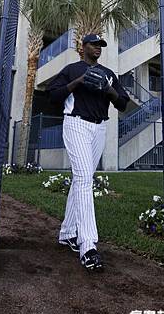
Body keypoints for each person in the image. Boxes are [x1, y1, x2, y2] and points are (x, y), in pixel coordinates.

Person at [47, 33, 129, 271]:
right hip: (76, 124)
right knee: (84, 179)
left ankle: (67, 233)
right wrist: (79, 81)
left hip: (99, 128)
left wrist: (108, 89)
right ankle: (88, 245)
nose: (98, 48)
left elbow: (122, 103)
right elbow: (53, 95)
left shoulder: (108, 73)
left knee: (80, 179)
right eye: (94, 44)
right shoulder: (71, 69)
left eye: (101, 45)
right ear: (82, 47)